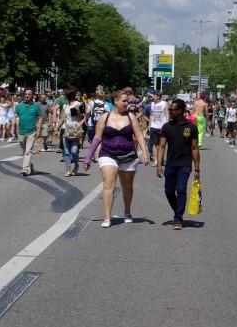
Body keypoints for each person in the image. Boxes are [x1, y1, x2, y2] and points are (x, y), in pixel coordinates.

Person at [85, 89, 150, 227]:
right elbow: (97, 138)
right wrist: (88, 157)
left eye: (127, 101)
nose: (127, 104)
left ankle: (127, 211)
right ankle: (107, 217)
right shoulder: (105, 117)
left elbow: (139, 135)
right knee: (109, 183)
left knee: (127, 186)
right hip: (108, 153)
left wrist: (145, 152)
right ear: (116, 101)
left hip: (128, 155)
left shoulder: (131, 117)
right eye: (124, 101)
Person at [157, 99, 201, 229]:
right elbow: (162, 146)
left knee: (181, 190)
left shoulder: (191, 127)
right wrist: (160, 164)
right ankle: (178, 211)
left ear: (180, 111)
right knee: (169, 191)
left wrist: (197, 169)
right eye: (169, 109)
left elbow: (194, 149)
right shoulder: (166, 127)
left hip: (185, 164)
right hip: (171, 164)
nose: (169, 111)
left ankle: (178, 218)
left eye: (172, 110)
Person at [12, 88, 43, 177]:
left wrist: (39, 130)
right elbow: (14, 116)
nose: (27, 95)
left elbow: (40, 117)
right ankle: (30, 165)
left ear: (32, 95)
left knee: (28, 151)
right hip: (21, 131)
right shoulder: (19, 105)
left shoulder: (36, 106)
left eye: (29, 94)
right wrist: (13, 126)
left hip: (32, 131)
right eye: (26, 94)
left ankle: (25, 169)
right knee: (24, 151)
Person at [61, 105, 85, 177]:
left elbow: (82, 118)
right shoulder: (65, 107)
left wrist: (77, 111)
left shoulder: (77, 105)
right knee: (67, 152)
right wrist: (56, 128)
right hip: (66, 132)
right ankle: (68, 170)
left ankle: (76, 165)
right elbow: (62, 119)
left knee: (74, 151)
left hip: (75, 133)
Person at [148, 90, 167, 166]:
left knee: (162, 144)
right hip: (154, 126)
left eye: (154, 96)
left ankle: (161, 158)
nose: (153, 97)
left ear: (158, 96)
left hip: (162, 126)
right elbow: (151, 115)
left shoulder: (164, 103)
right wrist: (149, 125)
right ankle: (156, 160)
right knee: (154, 144)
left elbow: (167, 114)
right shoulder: (152, 104)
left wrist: (167, 124)